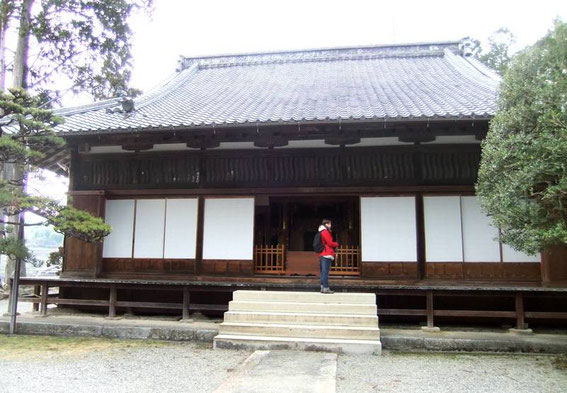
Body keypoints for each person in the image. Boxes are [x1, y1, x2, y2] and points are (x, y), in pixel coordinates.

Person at [318, 219, 338, 294]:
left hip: (323, 253)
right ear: (326, 224)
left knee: (323, 272)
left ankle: (323, 287)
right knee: (325, 272)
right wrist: (336, 244)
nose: (330, 225)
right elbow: (329, 243)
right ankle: (326, 288)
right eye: (329, 224)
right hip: (327, 253)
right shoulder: (325, 232)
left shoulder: (321, 232)